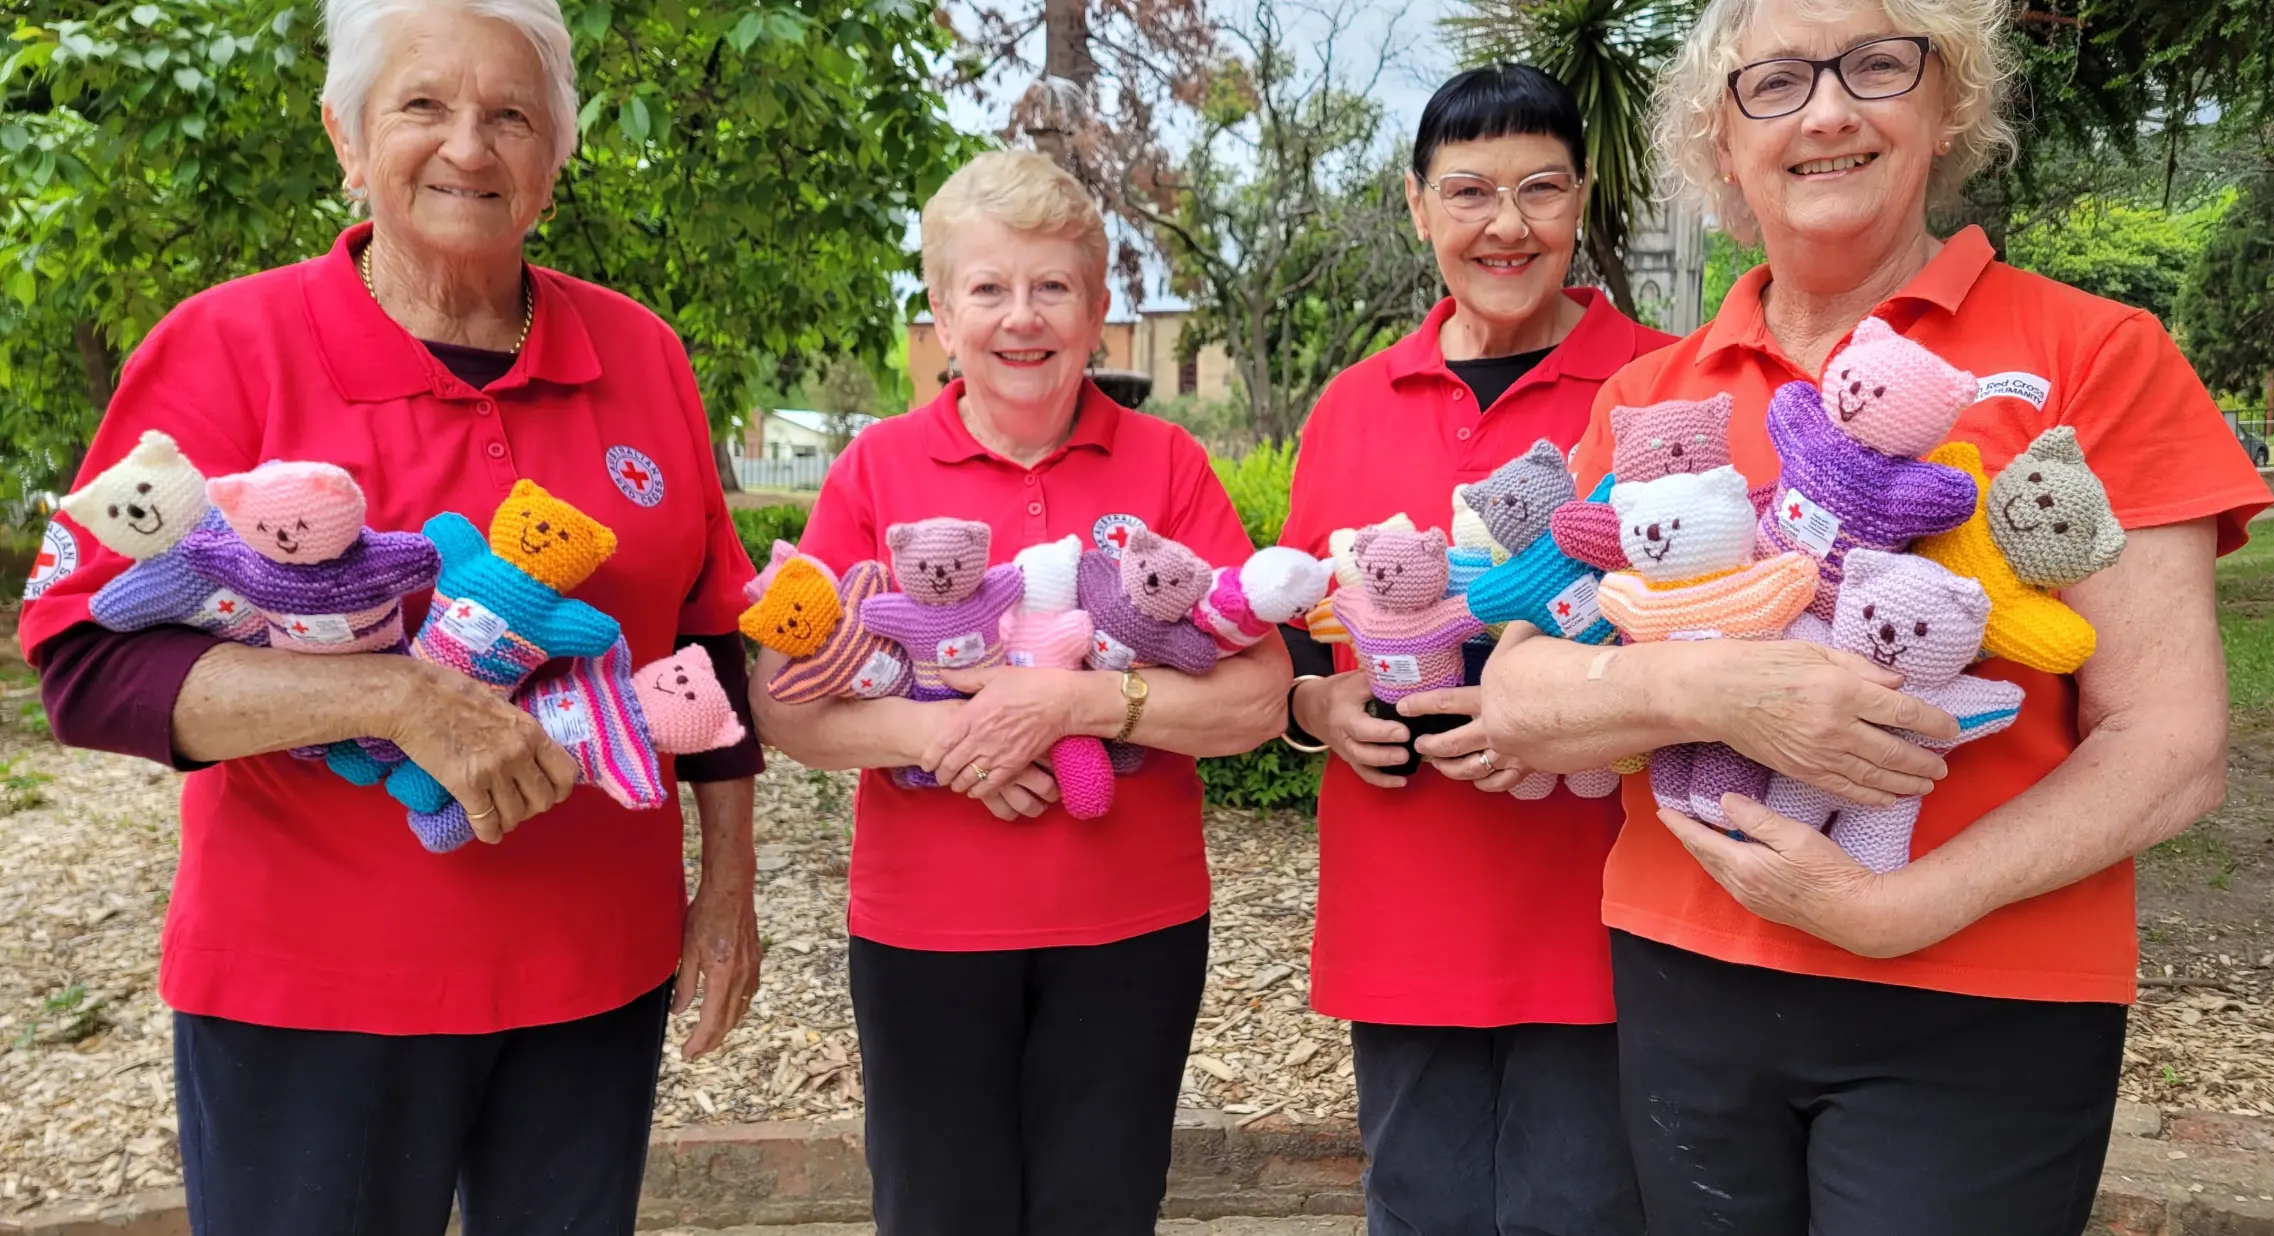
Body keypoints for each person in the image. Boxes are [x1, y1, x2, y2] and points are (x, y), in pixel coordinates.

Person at [1480, 0, 2274, 1232]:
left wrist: (1901, 906)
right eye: (1775, 81)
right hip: (1687, 972)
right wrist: (1709, 692)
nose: (1828, 109)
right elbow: (1519, 691)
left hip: (1984, 991)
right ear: (1720, 142)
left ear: (1947, 101)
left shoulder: (2091, 352)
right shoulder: (1652, 396)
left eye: (1876, 63)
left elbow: (2170, 748)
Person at [19, 0, 766, 1230]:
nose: (467, 148)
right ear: (347, 137)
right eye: (422, 106)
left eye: (510, 115)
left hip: (594, 980)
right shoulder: (225, 347)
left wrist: (727, 890)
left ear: (556, 155)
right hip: (312, 991)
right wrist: (396, 697)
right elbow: (86, 659)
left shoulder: (643, 355)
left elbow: (707, 646)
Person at [750, 149, 1291, 1236]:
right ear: (944, 317)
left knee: (1100, 1211)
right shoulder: (873, 472)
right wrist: (954, 735)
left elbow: (1258, 699)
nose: (1020, 318)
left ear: (1096, 314)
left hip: (1128, 931)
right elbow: (785, 699)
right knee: (937, 1211)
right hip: (923, 933)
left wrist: (1072, 708)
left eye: (1051, 288)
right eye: (988, 289)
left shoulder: (1168, 465)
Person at [1273, 65, 1671, 1236]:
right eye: (1468, 192)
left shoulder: (1658, 384)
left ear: (1581, 199)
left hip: (1605, 905)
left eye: (1539, 190)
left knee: (1584, 1211)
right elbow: (1302, 635)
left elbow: (1709, 619)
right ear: (1416, 207)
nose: (1506, 226)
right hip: (1405, 903)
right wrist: (1315, 709)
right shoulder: (1352, 402)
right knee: (1416, 1208)